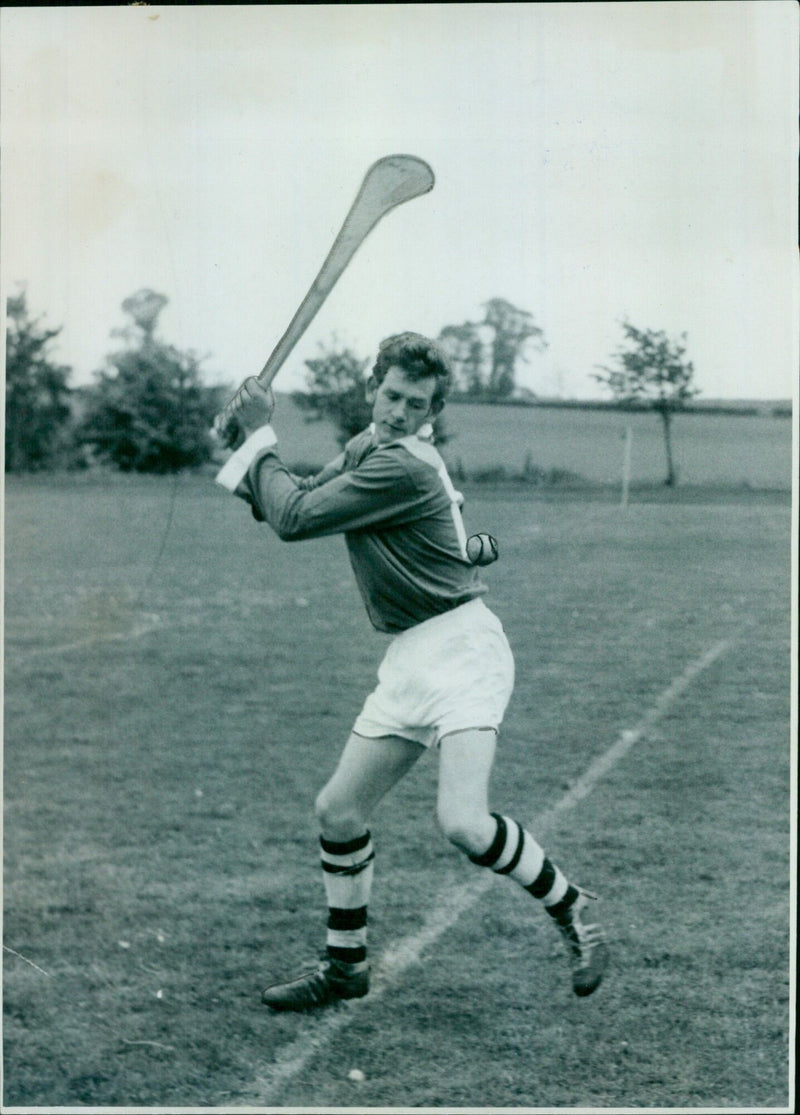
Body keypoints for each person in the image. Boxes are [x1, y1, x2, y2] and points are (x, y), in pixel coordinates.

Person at [215, 332, 608, 1010]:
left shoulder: (405, 465)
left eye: (415, 403)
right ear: (374, 388)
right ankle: (345, 968)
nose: (398, 410)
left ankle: (572, 907)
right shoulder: (368, 449)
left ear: (432, 411)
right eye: (391, 394)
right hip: (411, 655)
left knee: (462, 820)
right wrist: (245, 450)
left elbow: (295, 517)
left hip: (464, 650)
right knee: (338, 810)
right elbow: (298, 494)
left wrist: (257, 438)